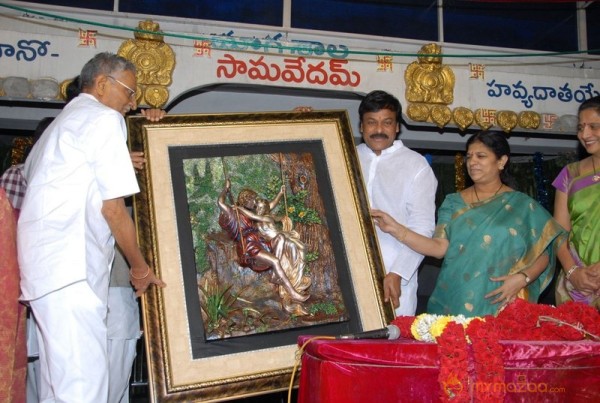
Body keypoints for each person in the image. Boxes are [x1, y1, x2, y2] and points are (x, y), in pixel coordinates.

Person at [17, 52, 165, 402]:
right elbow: (113, 209)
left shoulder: (58, 127)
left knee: (58, 386)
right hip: (72, 268)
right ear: (102, 85)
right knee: (85, 386)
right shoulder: (102, 119)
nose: (131, 103)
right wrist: (140, 268)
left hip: (46, 272)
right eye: (129, 92)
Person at [372, 131, 566, 316]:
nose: (472, 162)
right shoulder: (453, 202)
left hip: (501, 300)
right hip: (453, 298)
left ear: (502, 161)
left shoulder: (522, 205)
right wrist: (397, 230)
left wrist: (522, 279)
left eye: (481, 156)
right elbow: (439, 248)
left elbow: (544, 253)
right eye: (469, 156)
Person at [356, 90, 438, 316]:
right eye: (371, 122)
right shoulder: (346, 156)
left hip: (395, 281)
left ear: (397, 127)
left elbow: (423, 227)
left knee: (392, 346)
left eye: (387, 123)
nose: (379, 130)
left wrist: (398, 273)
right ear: (361, 127)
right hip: (349, 277)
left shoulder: (416, 165)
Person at [218, 179, 310, 304]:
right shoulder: (234, 212)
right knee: (275, 261)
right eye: (253, 200)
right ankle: (293, 293)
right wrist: (226, 189)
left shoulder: (250, 212)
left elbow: (268, 206)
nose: (255, 203)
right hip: (249, 246)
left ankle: (275, 273)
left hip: (259, 242)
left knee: (281, 238)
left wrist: (280, 194)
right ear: (246, 200)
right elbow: (220, 203)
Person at [552, 96, 600, 308]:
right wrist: (573, 272)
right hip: (577, 287)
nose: (585, 134)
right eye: (581, 127)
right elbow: (559, 232)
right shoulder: (570, 174)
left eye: (593, 126)